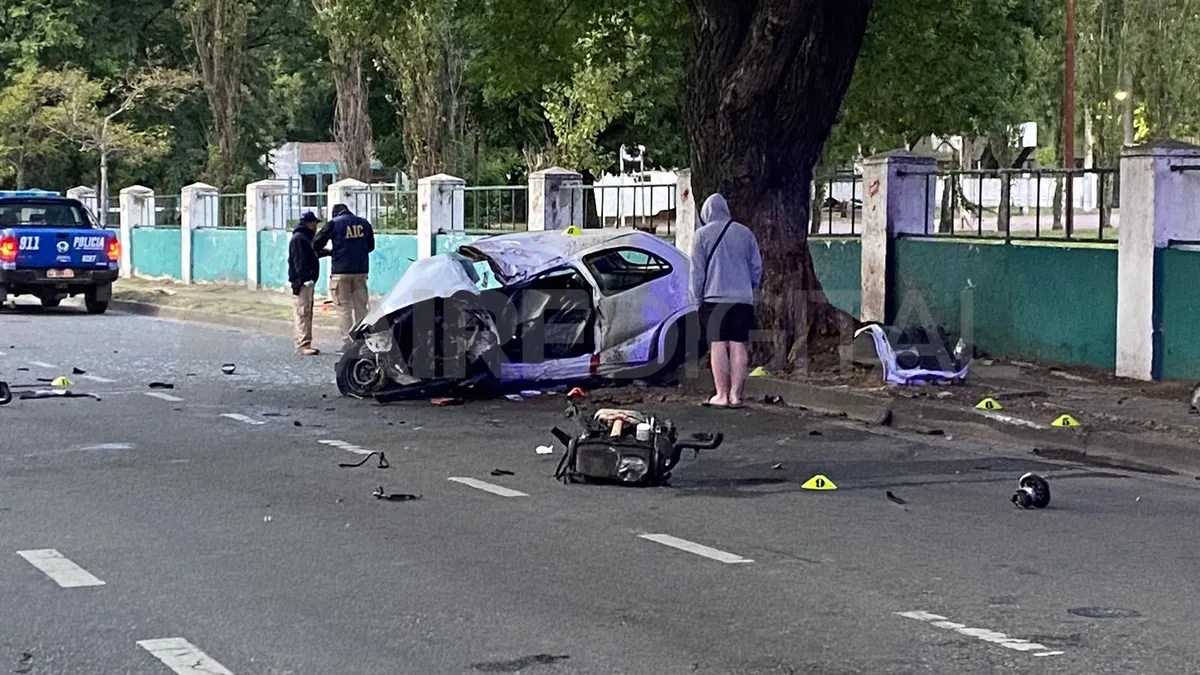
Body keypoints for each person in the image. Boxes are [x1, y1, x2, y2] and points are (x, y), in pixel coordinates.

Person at [689, 193, 762, 409]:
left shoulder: (701, 235)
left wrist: (696, 298)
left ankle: (721, 394)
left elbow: (697, 272)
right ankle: (736, 395)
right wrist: (749, 288)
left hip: (713, 299)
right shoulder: (745, 233)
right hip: (742, 299)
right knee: (738, 344)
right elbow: (756, 267)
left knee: (718, 345)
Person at [314, 203, 375, 344]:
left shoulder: (333, 224)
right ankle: (363, 340)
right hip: (360, 271)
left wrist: (331, 252)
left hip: (340, 272)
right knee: (361, 307)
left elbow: (316, 243)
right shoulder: (364, 223)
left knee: (344, 309)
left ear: (335, 214)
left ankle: (348, 343)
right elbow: (371, 246)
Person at [288, 211, 323, 356]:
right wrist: (302, 281)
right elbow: (299, 262)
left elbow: (308, 257)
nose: (316, 227)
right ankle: (303, 344)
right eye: (314, 223)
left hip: (306, 281)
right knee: (303, 312)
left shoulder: (305, 239)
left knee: (306, 312)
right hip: (303, 282)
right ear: (309, 224)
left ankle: (305, 342)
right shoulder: (300, 239)